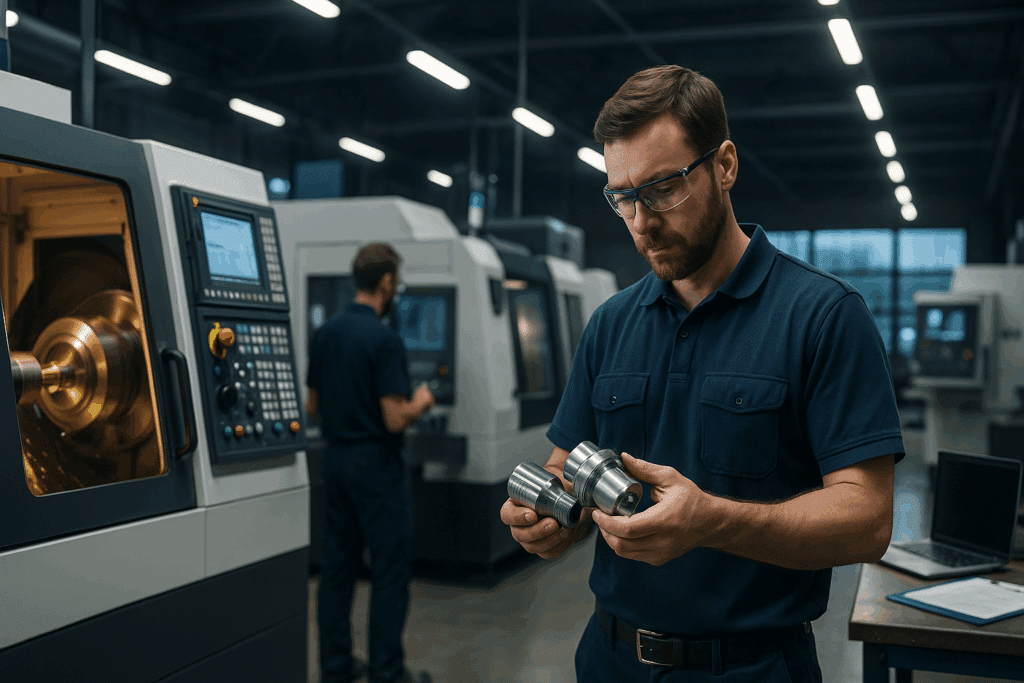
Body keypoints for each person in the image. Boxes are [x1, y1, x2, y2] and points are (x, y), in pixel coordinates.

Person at [500, 65, 904, 682]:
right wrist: (552, 521)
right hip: (610, 661)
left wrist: (712, 521)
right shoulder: (610, 324)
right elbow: (565, 468)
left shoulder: (823, 316)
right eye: (623, 197)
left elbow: (866, 521)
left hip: (753, 668)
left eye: (663, 188)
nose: (641, 220)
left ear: (724, 166)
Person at [307, 242, 435, 683]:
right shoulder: (385, 339)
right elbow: (393, 418)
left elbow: (311, 406)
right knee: (389, 570)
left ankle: (335, 668)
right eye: (394, 281)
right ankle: (387, 672)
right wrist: (420, 402)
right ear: (385, 282)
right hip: (377, 466)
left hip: (336, 462)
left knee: (337, 569)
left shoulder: (326, 333)